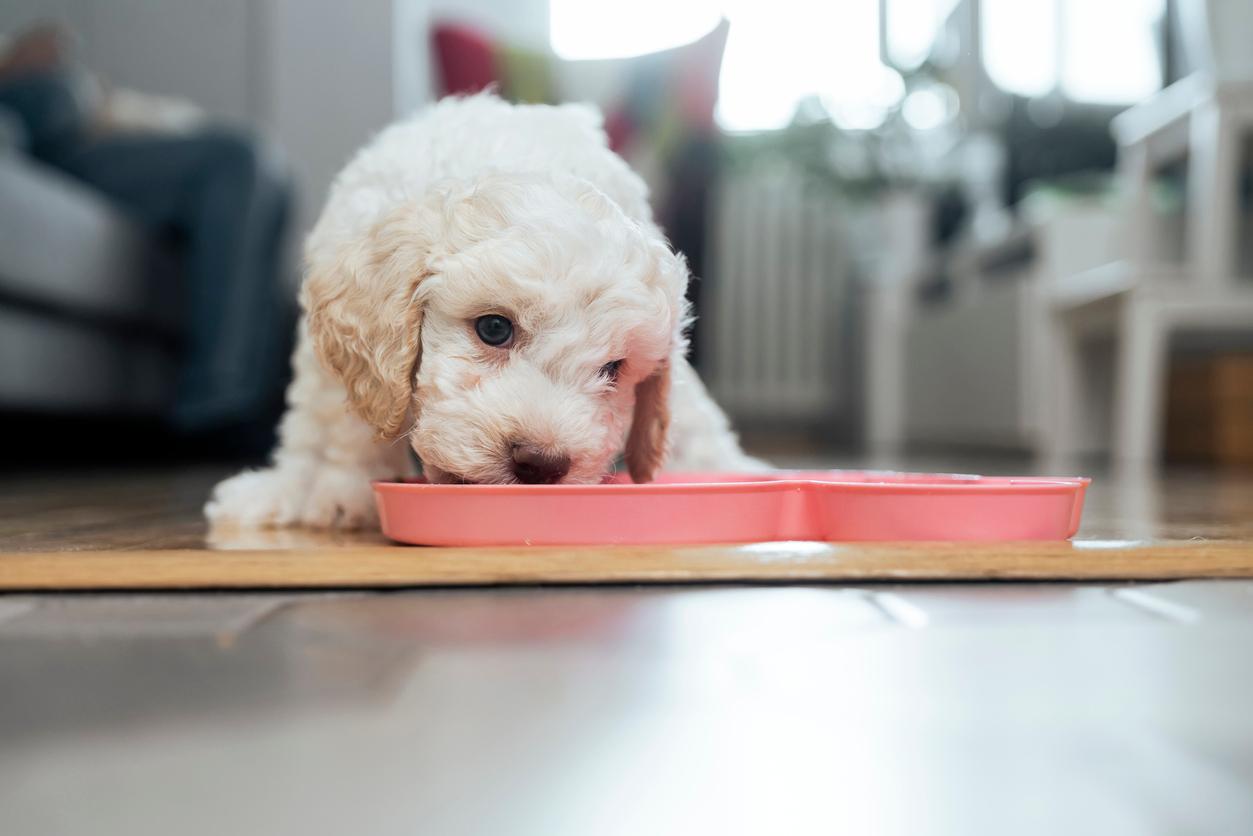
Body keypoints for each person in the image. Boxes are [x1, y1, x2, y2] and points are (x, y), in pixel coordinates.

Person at [0, 24, 293, 436]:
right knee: (239, 162)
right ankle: (216, 407)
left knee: (265, 168)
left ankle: (252, 403)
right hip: (41, 131)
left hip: (84, 127)